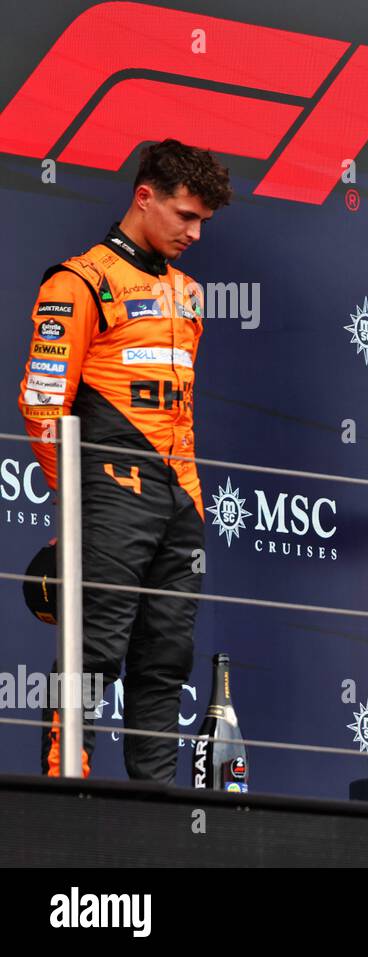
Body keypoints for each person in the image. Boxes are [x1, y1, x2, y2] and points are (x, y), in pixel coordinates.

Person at [18, 139, 231, 781]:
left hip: (182, 495)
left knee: (166, 656)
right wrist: (74, 501)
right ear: (145, 198)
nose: (194, 233)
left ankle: (158, 809)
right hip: (109, 488)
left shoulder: (190, 294)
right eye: (185, 216)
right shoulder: (79, 282)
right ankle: (67, 786)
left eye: (202, 222)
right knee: (94, 649)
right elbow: (41, 403)